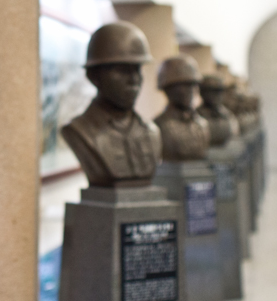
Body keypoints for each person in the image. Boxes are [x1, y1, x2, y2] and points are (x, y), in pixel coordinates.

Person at [61, 21, 161, 187]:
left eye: (137, 69)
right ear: (94, 76)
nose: (134, 80)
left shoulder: (152, 131)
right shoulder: (80, 131)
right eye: (122, 70)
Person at [154, 55, 210, 161]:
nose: (189, 91)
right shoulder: (157, 127)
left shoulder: (202, 124)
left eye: (192, 85)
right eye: (183, 85)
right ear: (167, 88)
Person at [197, 75, 240, 147]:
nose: (216, 95)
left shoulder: (228, 116)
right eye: (212, 90)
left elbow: (234, 132)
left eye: (219, 91)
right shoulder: (196, 116)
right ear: (202, 92)